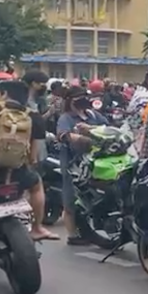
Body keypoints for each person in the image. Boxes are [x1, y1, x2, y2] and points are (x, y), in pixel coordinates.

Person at [0, 80, 55, 243]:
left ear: (3, 94)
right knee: (37, 186)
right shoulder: (34, 116)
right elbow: (33, 156)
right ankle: (37, 228)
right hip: (18, 173)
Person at [56, 85, 110, 245]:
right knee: (70, 198)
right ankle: (72, 235)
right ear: (70, 101)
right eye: (79, 98)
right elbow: (62, 135)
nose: (83, 101)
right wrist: (75, 137)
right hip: (73, 163)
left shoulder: (93, 115)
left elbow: (108, 127)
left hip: (95, 162)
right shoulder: (66, 118)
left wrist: (90, 129)